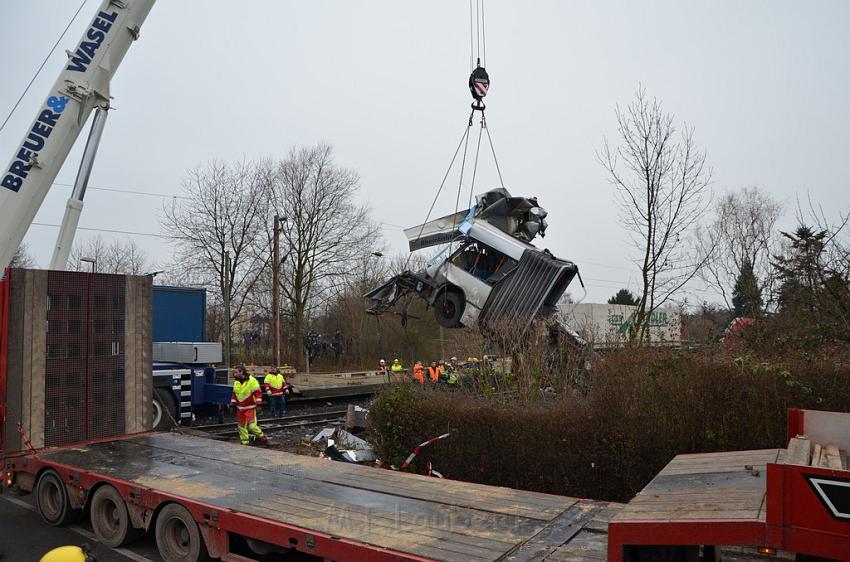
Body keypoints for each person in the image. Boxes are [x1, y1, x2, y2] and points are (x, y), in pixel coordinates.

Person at [230, 365, 268, 446]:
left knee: (252, 426)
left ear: (242, 372)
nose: (234, 374)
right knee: (241, 426)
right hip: (240, 408)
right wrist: (232, 405)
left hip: (250, 407)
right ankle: (245, 442)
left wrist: (259, 405)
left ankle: (262, 437)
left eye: (236, 372)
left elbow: (258, 393)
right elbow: (234, 394)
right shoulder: (236, 381)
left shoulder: (252, 381)